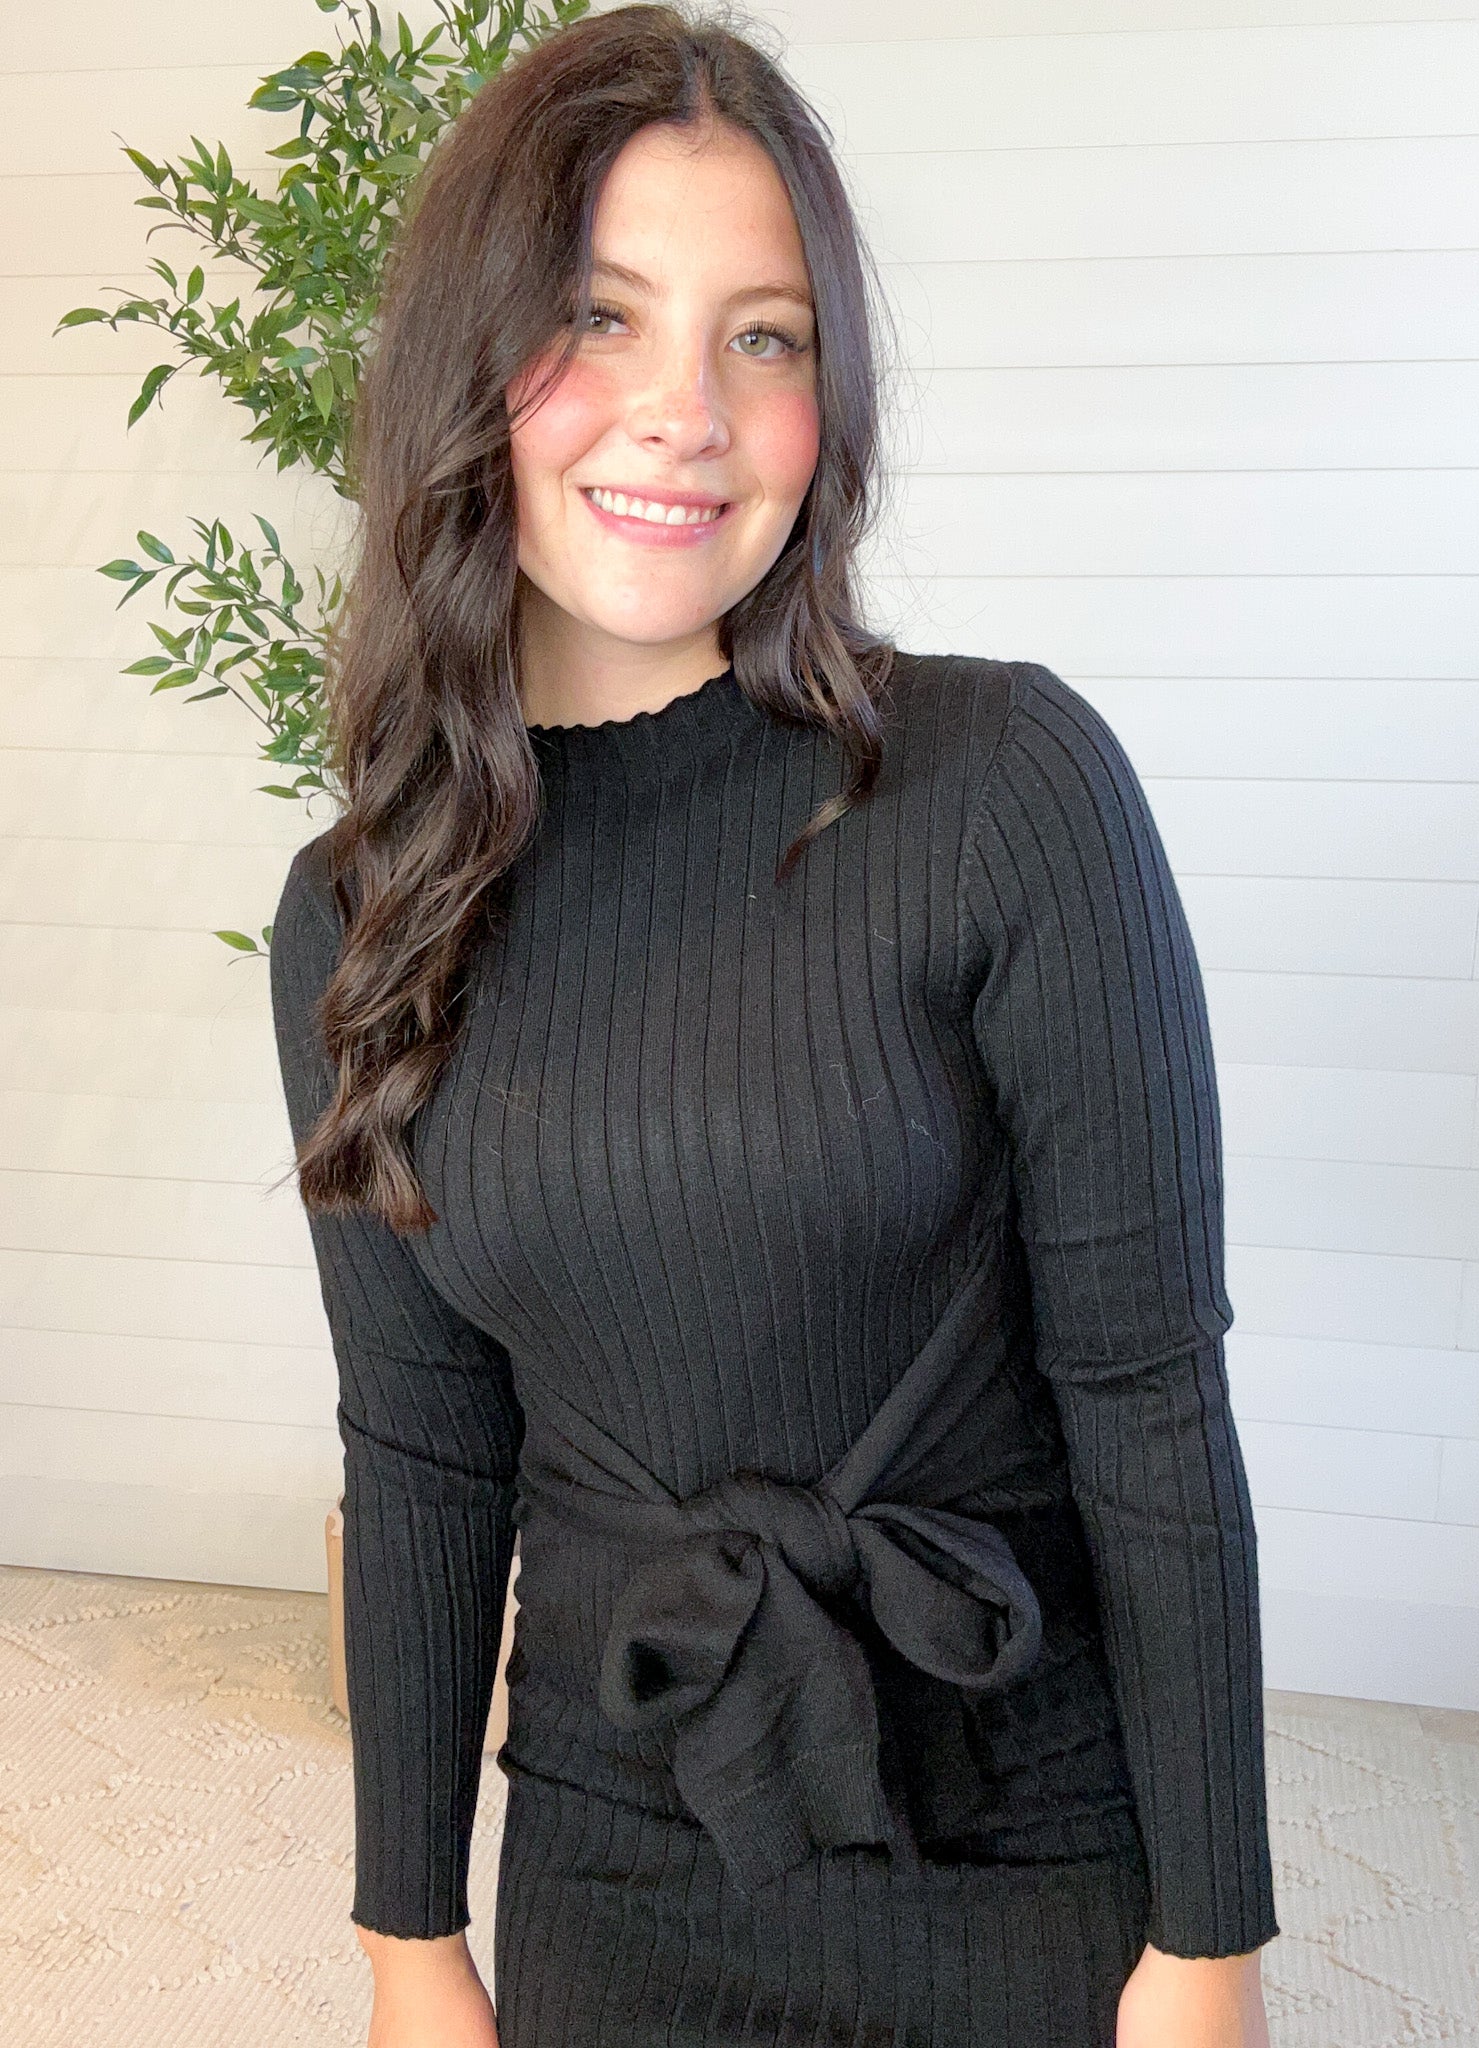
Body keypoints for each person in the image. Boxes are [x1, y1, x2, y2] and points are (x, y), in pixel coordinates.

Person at [268, 7, 1278, 2044]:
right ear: (468, 367)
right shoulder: (353, 914)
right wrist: (408, 1943)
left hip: (1015, 1827)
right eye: (600, 319)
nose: (685, 414)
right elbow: (426, 1453)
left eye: (767, 335)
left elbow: (1149, 1400)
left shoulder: (1006, 785)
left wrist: (1209, 1946)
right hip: (614, 1847)